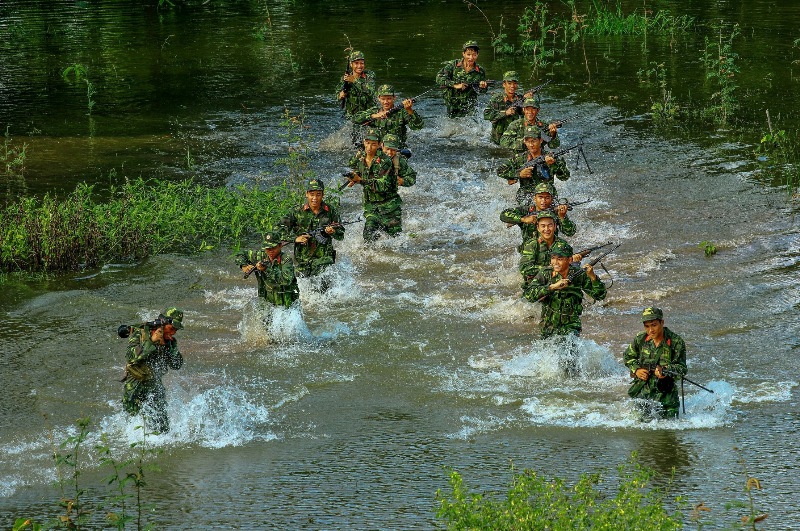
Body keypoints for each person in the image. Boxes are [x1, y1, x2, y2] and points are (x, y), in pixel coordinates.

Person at [122, 307, 184, 434]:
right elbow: (131, 356)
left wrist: (171, 348)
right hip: (135, 385)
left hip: (155, 385)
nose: (173, 333)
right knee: (132, 425)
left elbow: (177, 365)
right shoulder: (141, 334)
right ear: (163, 324)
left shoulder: (170, 342)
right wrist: (151, 342)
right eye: (172, 328)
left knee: (163, 428)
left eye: (176, 330)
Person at [345, 130, 414, 240]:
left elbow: (411, 178)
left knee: (395, 240)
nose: (390, 152)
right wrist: (355, 178)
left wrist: (402, 181)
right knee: (369, 235)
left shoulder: (398, 162)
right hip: (371, 206)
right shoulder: (367, 157)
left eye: (393, 150)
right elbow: (360, 170)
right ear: (382, 146)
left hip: (391, 207)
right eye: (387, 149)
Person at [623, 307, 688, 419]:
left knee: (668, 429)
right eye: (647, 326)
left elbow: (682, 369)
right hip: (643, 395)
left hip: (667, 398)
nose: (650, 330)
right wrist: (637, 370)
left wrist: (666, 371)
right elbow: (628, 356)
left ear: (662, 322)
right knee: (639, 427)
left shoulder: (676, 342)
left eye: (654, 325)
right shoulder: (640, 339)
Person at [279, 178, 344, 279]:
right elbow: (279, 231)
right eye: (312, 194)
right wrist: (295, 238)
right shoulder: (296, 212)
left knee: (325, 287)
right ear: (307, 194)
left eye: (318, 194)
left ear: (323, 195)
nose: (315, 198)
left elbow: (341, 235)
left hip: (324, 261)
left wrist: (333, 232)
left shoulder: (331, 211)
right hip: (302, 261)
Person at [496, 126, 570, 206]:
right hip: (526, 195)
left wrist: (553, 165)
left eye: (534, 141)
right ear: (524, 141)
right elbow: (500, 171)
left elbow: (565, 177)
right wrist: (518, 174)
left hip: (547, 195)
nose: (531, 145)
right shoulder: (519, 158)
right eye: (528, 141)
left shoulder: (551, 157)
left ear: (541, 140)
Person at [500, 181, 577, 252]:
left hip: (550, 252)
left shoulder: (557, 212)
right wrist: (523, 219)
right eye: (540, 197)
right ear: (535, 198)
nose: (543, 201)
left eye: (547, 198)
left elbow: (570, 232)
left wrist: (562, 217)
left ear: (551, 199)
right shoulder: (526, 210)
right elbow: (503, 215)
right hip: (529, 252)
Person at [518, 210, 582, 289]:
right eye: (543, 226)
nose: (547, 229)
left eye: (550, 225)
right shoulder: (532, 245)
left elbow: (569, 269)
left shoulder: (563, 244)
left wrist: (574, 261)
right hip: (536, 285)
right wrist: (551, 268)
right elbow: (524, 269)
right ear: (538, 228)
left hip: (558, 282)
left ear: (555, 227)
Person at [236, 231, 299, 307]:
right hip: (267, 299)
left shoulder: (286, 260)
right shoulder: (260, 255)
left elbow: (286, 280)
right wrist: (244, 265)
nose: (271, 251)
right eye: (268, 248)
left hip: (287, 301)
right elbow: (241, 254)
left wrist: (266, 269)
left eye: (273, 248)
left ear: (280, 245)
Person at [352, 84, 424, 149]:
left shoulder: (402, 112)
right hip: (378, 149)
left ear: (394, 98)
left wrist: (409, 110)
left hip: (396, 149)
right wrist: (374, 116)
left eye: (389, 98)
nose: (386, 102)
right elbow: (355, 119)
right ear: (379, 98)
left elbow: (418, 127)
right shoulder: (374, 111)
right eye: (383, 99)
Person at [435, 40, 487, 118]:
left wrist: (483, 87)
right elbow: (439, 78)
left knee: (472, 123)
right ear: (463, 54)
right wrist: (455, 85)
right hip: (452, 103)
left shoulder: (480, 70)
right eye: (468, 54)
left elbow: (482, 92)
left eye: (474, 55)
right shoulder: (453, 65)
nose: (471, 58)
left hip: (470, 105)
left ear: (477, 55)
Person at [483, 70, 528, 145]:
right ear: (504, 84)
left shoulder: (519, 98)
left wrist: (528, 101)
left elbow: (527, 116)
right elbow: (486, 114)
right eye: (509, 83)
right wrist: (505, 113)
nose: (512, 86)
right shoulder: (497, 98)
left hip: (513, 137)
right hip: (498, 140)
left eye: (515, 83)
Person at [337, 50, 377, 122]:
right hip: (351, 116)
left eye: (362, 63)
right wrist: (341, 95)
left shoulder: (370, 75)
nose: (359, 66)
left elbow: (370, 91)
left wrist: (354, 81)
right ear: (351, 64)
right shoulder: (345, 78)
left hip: (368, 114)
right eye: (356, 63)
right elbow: (337, 95)